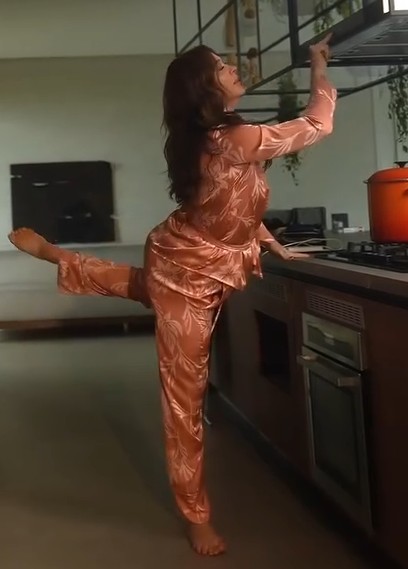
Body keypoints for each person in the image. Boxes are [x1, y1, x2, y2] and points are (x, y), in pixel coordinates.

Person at [8, 34, 336, 557]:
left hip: (191, 256)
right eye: (221, 66)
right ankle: (196, 515)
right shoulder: (234, 138)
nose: (232, 67)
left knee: (143, 288)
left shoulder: (222, 138)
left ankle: (57, 257)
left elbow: (232, 204)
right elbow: (318, 124)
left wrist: (272, 242)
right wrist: (318, 67)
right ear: (204, 88)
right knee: (184, 399)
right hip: (185, 269)